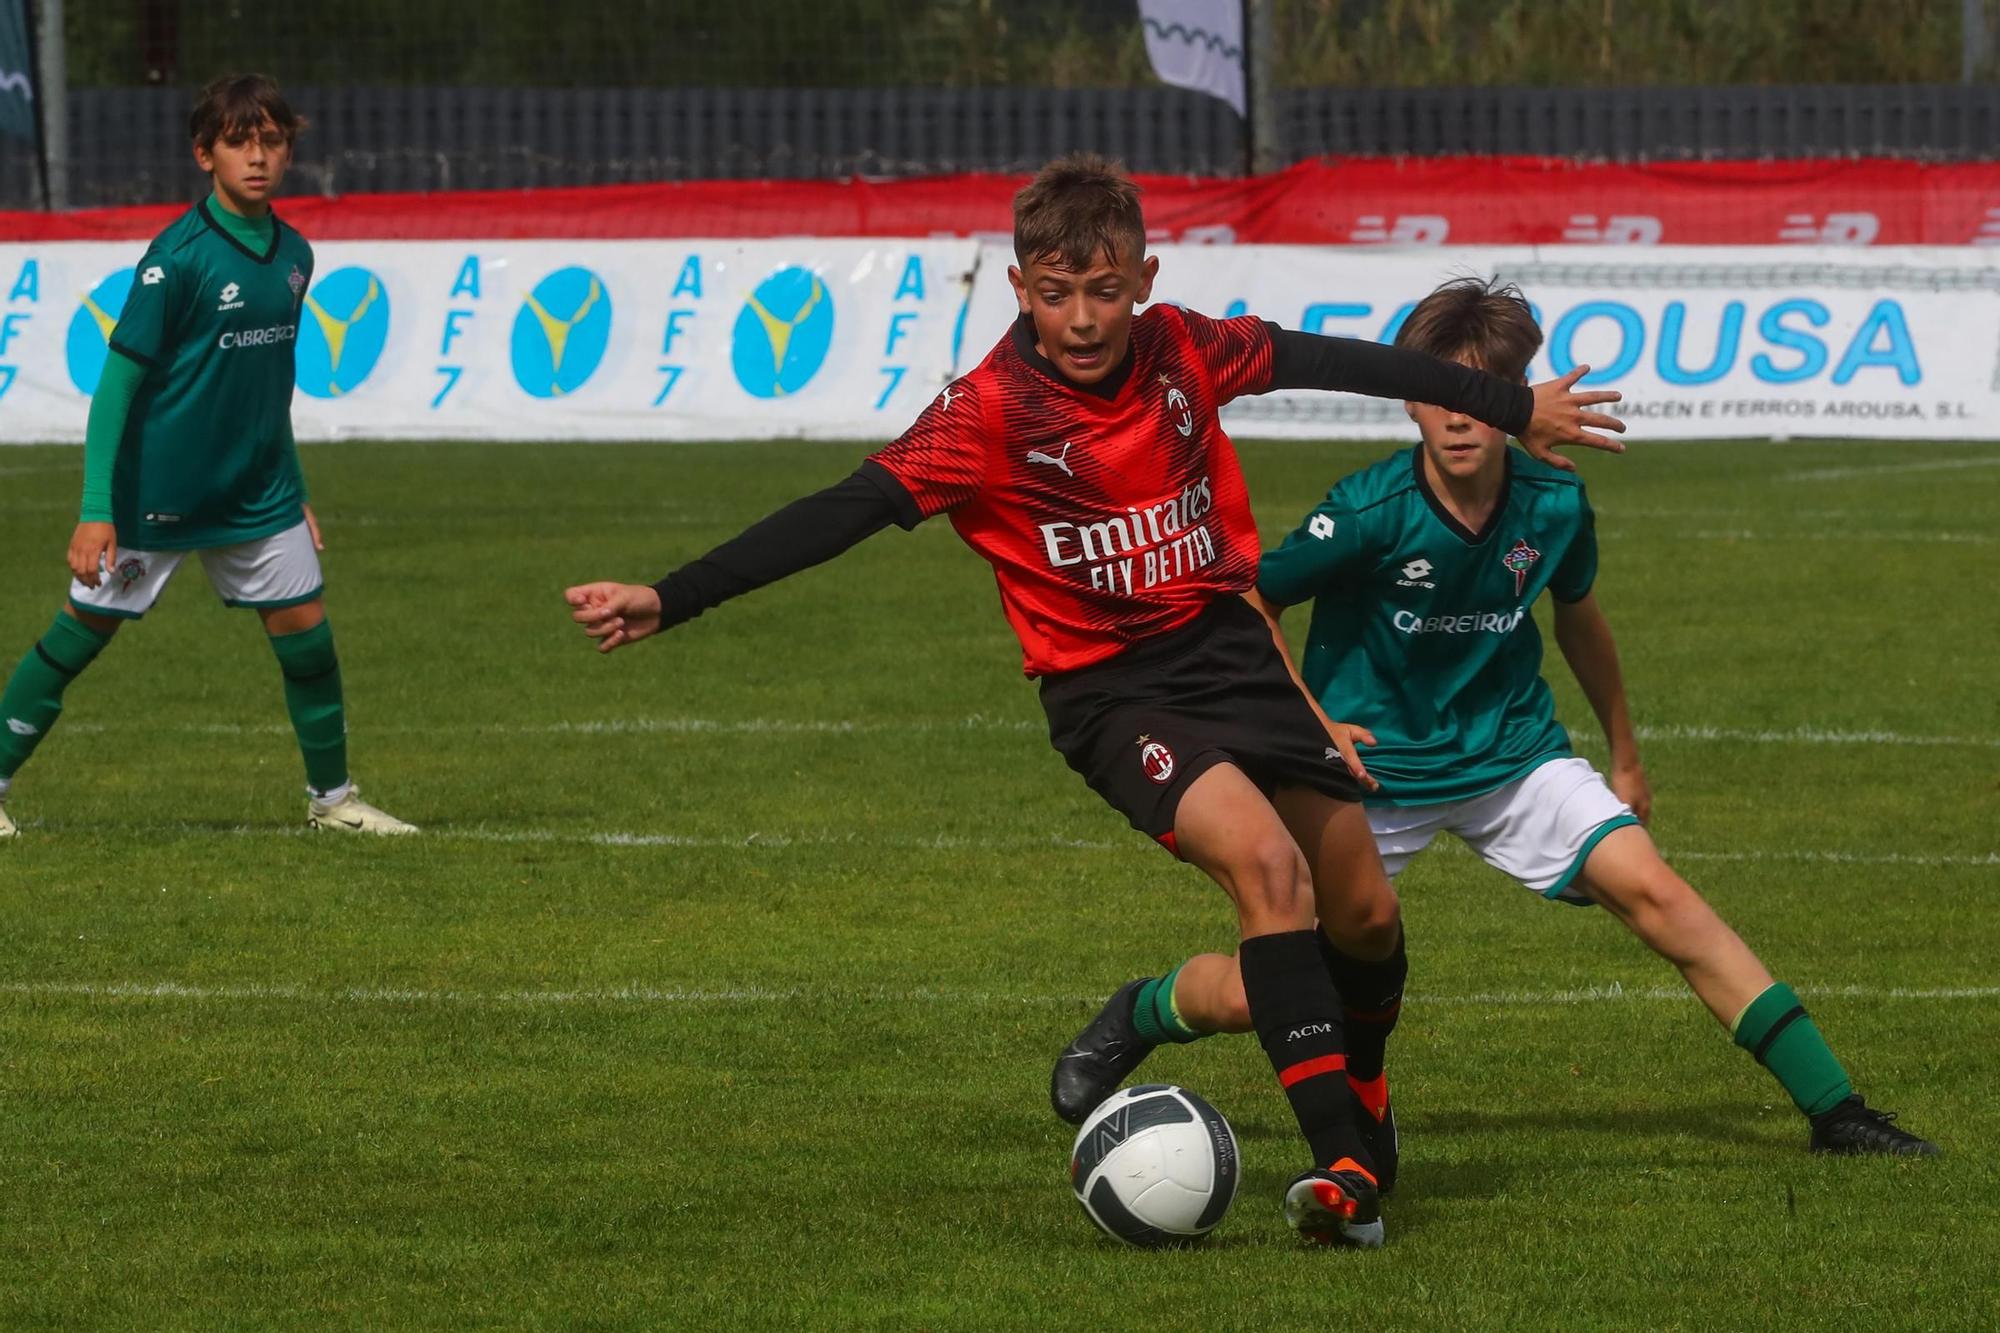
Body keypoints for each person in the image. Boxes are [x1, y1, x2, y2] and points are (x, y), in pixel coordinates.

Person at [562, 157, 1624, 1246]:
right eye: (1056, 293)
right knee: (1270, 872)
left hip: (1229, 652)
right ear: (1020, 288)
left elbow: (1326, 357)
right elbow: (845, 507)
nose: (1082, 318)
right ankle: (1342, 1167)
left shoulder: (1182, 349)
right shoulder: (983, 414)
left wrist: (1506, 403)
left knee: (1363, 918)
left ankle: (1224, 1045)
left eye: (1105, 291)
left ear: (1142, 278)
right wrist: (670, 596)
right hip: (1111, 694)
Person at [1066, 275, 1934, 1166]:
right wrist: (1318, 719)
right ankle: (1150, 1006)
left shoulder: (1553, 503)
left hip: (1514, 757)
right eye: (1441, 390)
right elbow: (1252, 597)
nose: (1460, 415)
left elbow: (1580, 619)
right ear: (1412, 399)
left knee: (1662, 896)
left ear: (1510, 399)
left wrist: (1626, 755)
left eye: (1481, 391)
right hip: (1374, 777)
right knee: (1286, 991)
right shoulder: (1366, 512)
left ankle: (1839, 1110)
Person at [0, 74, 414, 839]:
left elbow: (266, 386)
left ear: (290, 150)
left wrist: (293, 487)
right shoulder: (175, 261)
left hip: (257, 494)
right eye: (238, 142)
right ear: (204, 154)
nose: (257, 157)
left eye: (272, 140)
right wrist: (97, 509)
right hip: (158, 495)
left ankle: (333, 801)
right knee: (76, 637)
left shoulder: (295, 254)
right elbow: (116, 386)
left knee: (308, 637)